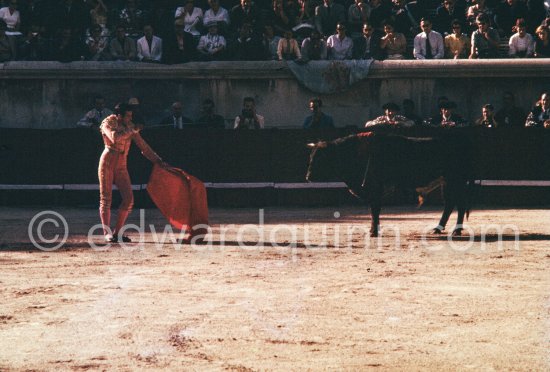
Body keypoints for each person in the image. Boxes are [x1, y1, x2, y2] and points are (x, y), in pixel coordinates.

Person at [98, 102, 171, 243]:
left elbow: (143, 146)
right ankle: (106, 233)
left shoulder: (130, 126)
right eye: (128, 116)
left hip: (121, 164)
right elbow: (114, 138)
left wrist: (158, 161)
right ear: (119, 116)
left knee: (129, 199)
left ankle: (117, 233)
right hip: (107, 162)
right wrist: (132, 130)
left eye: (131, 116)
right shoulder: (108, 122)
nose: (130, 119)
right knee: (106, 199)